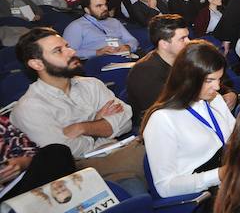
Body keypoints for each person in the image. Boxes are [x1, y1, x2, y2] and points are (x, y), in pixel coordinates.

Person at [10, 28, 145, 193]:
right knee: (139, 178)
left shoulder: (91, 84)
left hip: (118, 152)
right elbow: (67, 153)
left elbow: (125, 120)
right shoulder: (29, 108)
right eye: (59, 51)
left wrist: (82, 128)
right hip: (82, 175)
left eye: (67, 46)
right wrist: (100, 124)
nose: (72, 51)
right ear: (37, 64)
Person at [142, 41, 235, 198]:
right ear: (188, 79)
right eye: (209, 81)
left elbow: (234, 137)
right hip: (202, 197)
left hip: (229, 183)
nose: (218, 87)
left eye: (219, 79)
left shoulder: (215, 99)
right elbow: (165, 187)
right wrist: (218, 175)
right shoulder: (162, 119)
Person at [127, 14, 239, 124]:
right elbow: (169, 109)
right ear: (164, 44)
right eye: (182, 38)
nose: (188, 42)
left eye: (188, 36)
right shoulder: (143, 72)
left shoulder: (187, 59)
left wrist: (230, 93)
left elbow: (214, 81)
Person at [0, 115, 76, 200]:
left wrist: (21, 163)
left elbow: (33, 153)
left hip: (23, 178)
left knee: (56, 151)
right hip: (6, 197)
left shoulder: (2, 123)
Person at [62, 0, 138, 59]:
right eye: (99, 6)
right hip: (98, 60)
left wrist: (128, 47)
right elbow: (69, 52)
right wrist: (97, 52)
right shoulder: (76, 26)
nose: (105, 8)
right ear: (87, 10)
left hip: (125, 56)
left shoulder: (114, 21)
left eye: (105, 4)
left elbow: (132, 40)